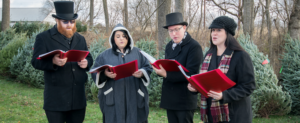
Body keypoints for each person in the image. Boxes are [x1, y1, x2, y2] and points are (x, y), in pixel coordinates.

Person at [31, 1, 93, 123]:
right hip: (56, 99)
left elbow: (89, 57)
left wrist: (87, 63)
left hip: (77, 98)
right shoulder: (43, 38)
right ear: (57, 21)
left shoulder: (80, 39)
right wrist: (52, 61)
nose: (69, 25)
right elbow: (35, 62)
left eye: (72, 21)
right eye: (65, 22)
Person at [187, 16, 256, 123]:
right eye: (213, 30)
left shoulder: (240, 56)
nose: (214, 33)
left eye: (219, 30)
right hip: (212, 115)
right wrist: (196, 88)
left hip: (234, 115)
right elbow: (207, 83)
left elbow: (249, 86)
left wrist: (224, 95)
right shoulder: (208, 55)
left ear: (228, 33)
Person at [91, 23, 153, 123]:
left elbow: (148, 67)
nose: (121, 39)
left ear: (128, 38)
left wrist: (142, 73)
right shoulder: (104, 56)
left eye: (124, 36)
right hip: (113, 98)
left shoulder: (138, 53)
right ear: (113, 39)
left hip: (135, 96)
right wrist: (105, 74)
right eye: (118, 36)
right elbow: (94, 72)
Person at [153, 12, 203, 123]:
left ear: (184, 27)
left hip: (184, 99)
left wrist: (166, 74)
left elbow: (192, 73)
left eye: (177, 29)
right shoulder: (169, 46)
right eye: (170, 31)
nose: (174, 33)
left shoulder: (194, 46)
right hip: (170, 97)